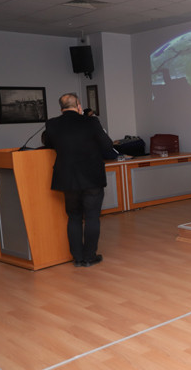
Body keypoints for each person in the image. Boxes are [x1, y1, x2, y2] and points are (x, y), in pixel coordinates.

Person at [43, 93, 117, 267]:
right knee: (92, 217)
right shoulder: (91, 122)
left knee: (74, 217)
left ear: (61, 108)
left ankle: (77, 258)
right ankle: (89, 257)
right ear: (78, 106)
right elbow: (107, 145)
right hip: (91, 177)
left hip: (68, 178)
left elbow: (49, 144)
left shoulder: (52, 124)